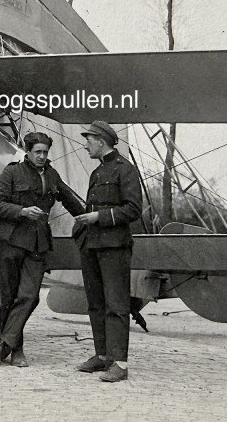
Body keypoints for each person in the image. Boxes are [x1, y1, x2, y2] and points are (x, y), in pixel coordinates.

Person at [0, 132, 85, 368]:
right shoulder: (11, 172)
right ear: (27, 151)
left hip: (39, 244)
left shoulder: (52, 175)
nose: (42, 156)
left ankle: (2, 347)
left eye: (45, 152)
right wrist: (22, 211)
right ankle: (17, 350)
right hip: (12, 240)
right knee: (9, 298)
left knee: (29, 296)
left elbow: (70, 200)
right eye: (37, 152)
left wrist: (87, 218)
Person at [72, 121, 142, 383]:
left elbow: (133, 210)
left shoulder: (126, 170)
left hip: (114, 247)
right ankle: (102, 356)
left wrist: (98, 217)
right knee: (96, 304)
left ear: (101, 141)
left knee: (117, 304)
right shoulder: (97, 172)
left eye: (88, 139)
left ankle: (120, 364)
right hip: (91, 245)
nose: (85, 144)